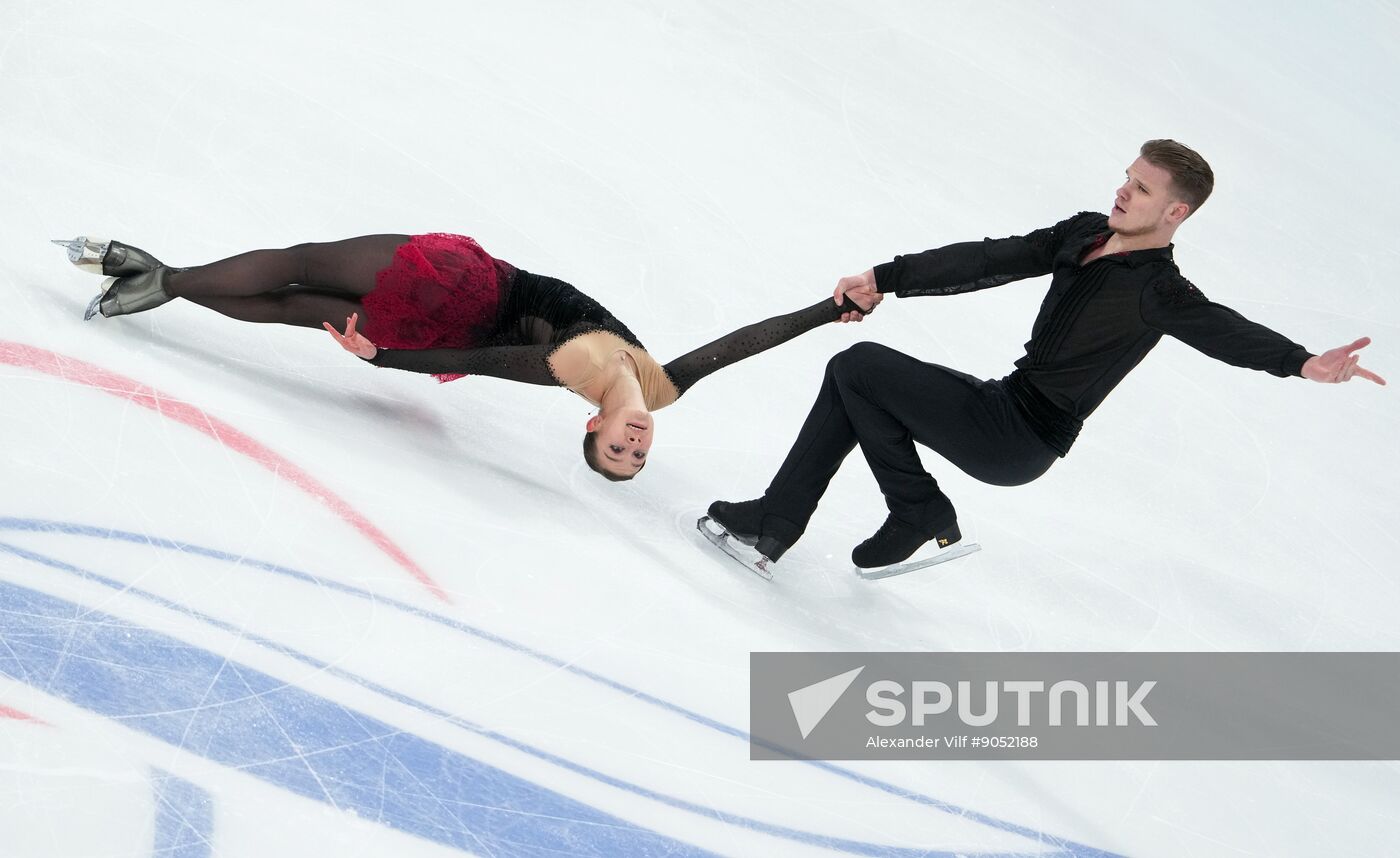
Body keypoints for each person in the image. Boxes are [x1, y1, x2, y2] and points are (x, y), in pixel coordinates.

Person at [706, 139, 1386, 570]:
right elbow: (993, 258)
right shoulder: (1084, 233)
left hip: (1020, 439)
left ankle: (863, 514)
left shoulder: (1159, 291)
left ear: (1175, 214)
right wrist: (888, 276)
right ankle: (849, 518)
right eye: (1127, 177)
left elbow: (1224, 329)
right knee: (860, 384)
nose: (1123, 191)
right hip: (1000, 402)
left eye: (1142, 189)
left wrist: (1302, 362)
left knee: (859, 369)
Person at [55, 232, 872, 480]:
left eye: (615, 452)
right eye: (637, 453)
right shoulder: (660, 389)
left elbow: (485, 364)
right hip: (455, 317)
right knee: (300, 298)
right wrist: (825, 312)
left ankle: (157, 274)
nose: (634, 442)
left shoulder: (570, 370)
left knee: (302, 281)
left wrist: (382, 361)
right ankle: (154, 283)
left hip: (465, 293)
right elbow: (740, 346)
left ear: (590, 425)